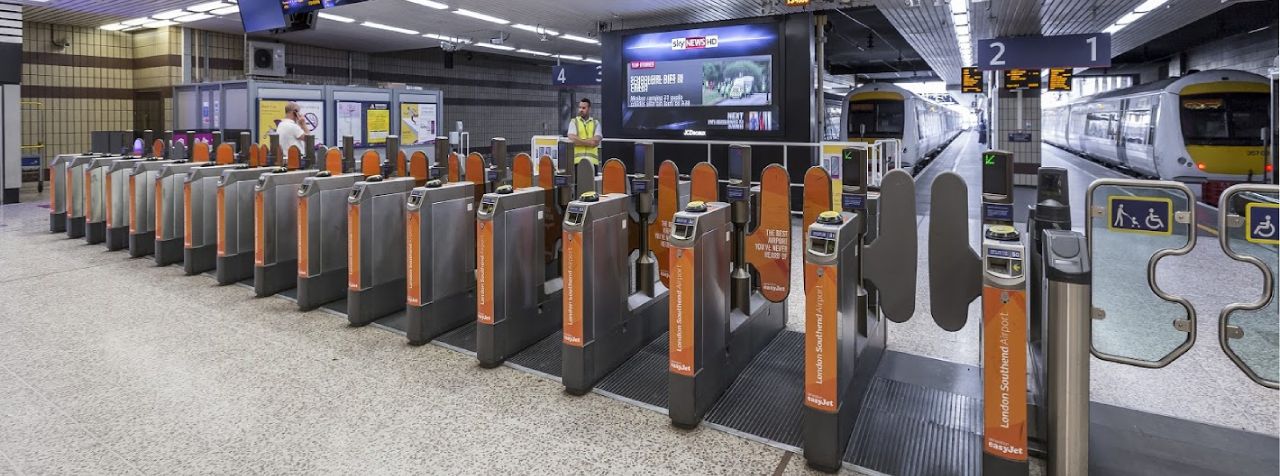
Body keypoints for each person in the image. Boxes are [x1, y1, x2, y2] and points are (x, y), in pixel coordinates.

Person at [566, 98, 602, 166]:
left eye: (583, 108)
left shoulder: (596, 123)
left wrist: (579, 141)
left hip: (592, 162)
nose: (581, 110)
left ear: (589, 109)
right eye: (579, 107)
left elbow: (595, 141)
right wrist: (589, 142)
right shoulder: (574, 122)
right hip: (577, 162)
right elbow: (573, 139)